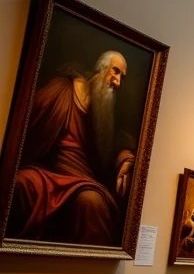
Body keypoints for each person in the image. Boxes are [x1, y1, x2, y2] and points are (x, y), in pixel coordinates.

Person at [8, 51, 136, 246]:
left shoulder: (103, 111)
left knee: (92, 203)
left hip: (80, 178)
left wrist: (126, 158)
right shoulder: (62, 89)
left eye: (121, 77)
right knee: (18, 184)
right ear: (101, 69)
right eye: (115, 72)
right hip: (47, 171)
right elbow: (28, 117)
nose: (117, 82)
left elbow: (118, 140)